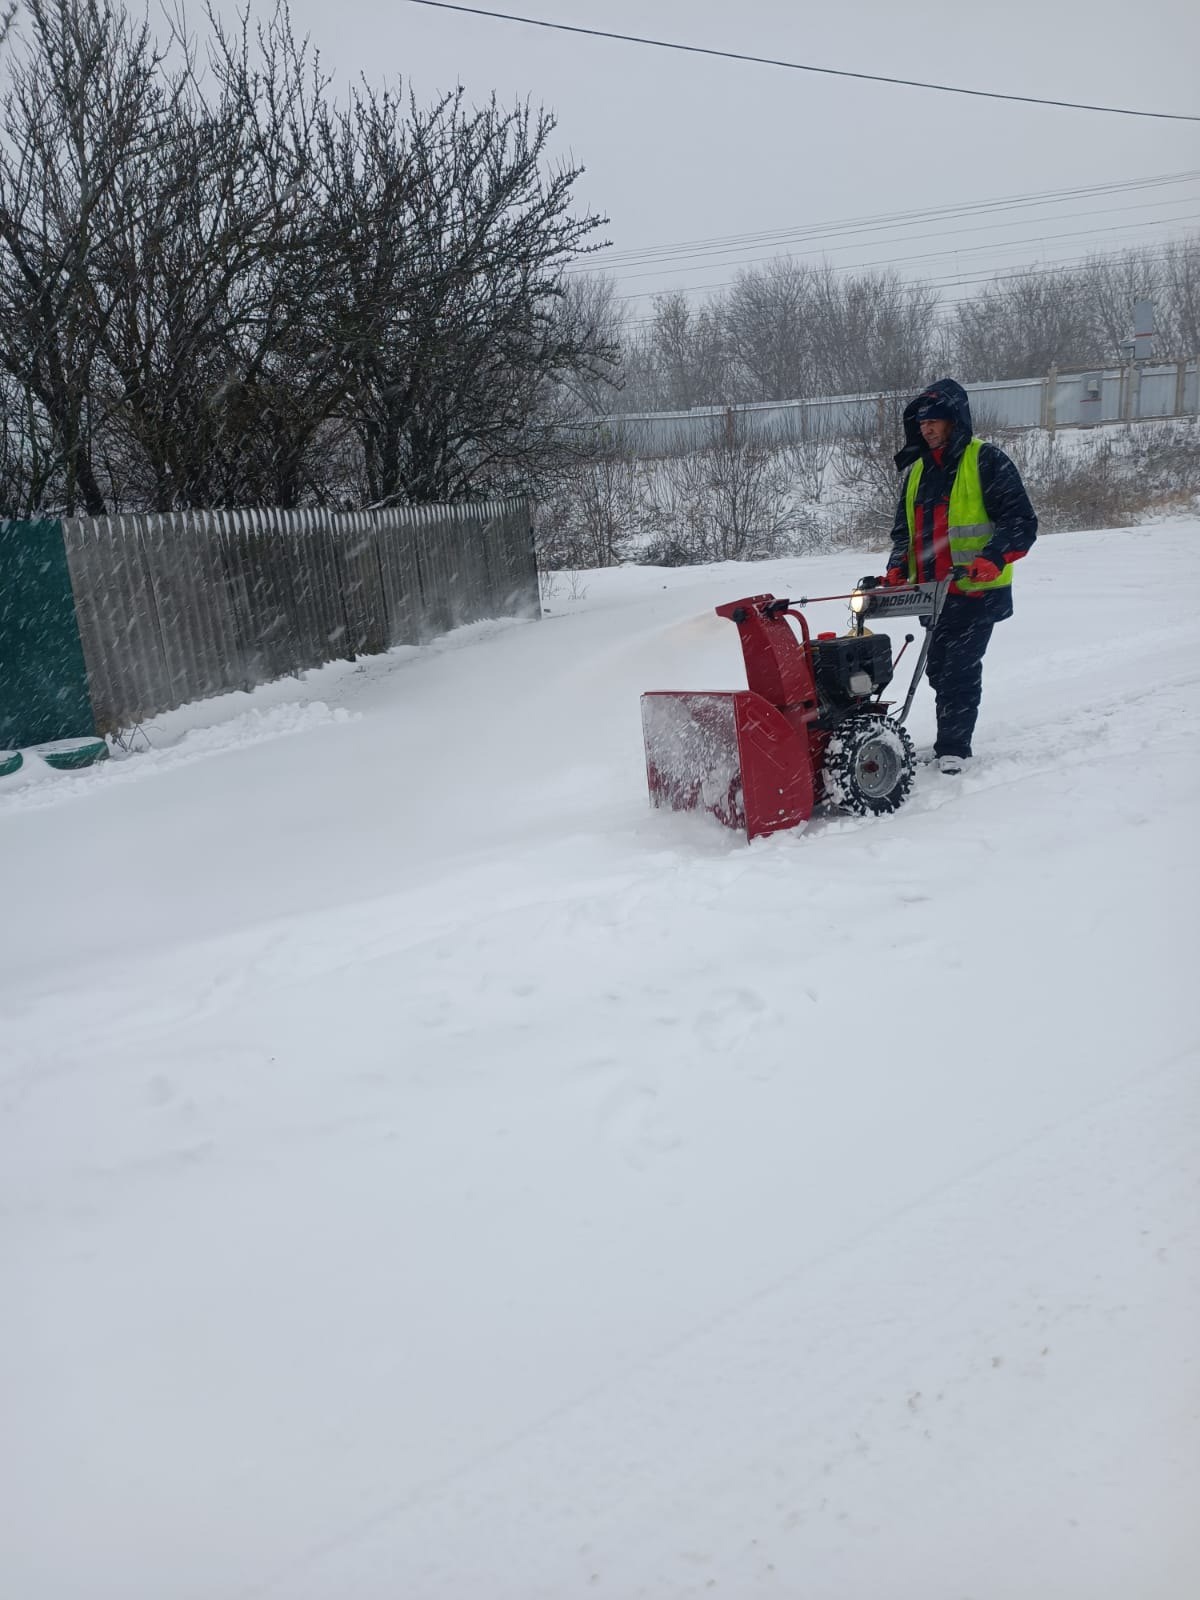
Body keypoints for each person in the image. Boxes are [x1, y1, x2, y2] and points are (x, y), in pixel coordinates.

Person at [878, 377, 1037, 773]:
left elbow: (1020, 521)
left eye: (935, 421)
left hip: (976, 590)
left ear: (955, 421)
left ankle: (955, 748)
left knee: (960, 669)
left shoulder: (985, 460)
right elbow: (904, 533)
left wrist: (993, 558)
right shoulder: (917, 472)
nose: (927, 428)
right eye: (921, 422)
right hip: (933, 594)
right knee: (937, 669)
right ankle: (948, 737)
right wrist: (897, 567)